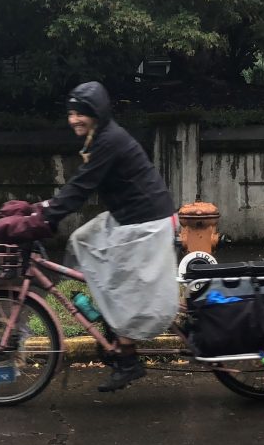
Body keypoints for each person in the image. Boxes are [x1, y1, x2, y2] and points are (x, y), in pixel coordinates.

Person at [39, 81, 179, 391]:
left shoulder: (109, 141)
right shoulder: (99, 136)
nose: (74, 119)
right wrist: (44, 209)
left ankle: (128, 359)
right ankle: (104, 317)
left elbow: (81, 187)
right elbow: (78, 185)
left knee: (122, 284)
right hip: (128, 217)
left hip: (145, 223)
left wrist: (45, 215)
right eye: (71, 113)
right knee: (83, 240)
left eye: (82, 114)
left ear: (97, 114)